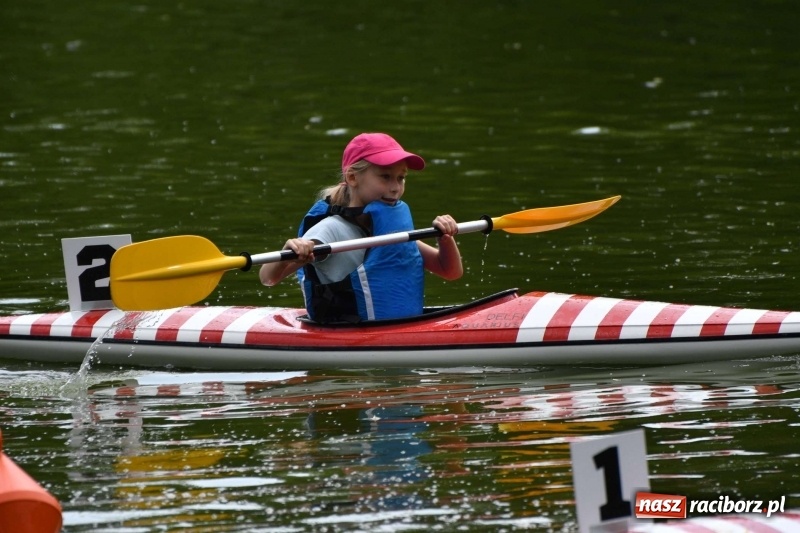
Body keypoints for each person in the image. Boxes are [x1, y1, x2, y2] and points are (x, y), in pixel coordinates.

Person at [259, 132, 463, 323]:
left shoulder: (388, 230)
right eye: (385, 176)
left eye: (401, 178)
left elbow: (450, 271)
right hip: (348, 334)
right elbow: (268, 277)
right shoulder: (330, 230)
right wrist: (292, 249)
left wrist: (445, 237)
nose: (395, 187)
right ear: (352, 178)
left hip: (398, 328)